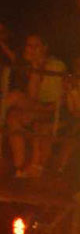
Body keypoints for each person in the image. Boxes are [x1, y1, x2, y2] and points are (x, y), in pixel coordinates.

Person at [4, 34, 68, 178]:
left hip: (51, 110)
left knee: (15, 97)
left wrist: (36, 70)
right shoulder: (31, 67)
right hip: (36, 107)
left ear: (44, 48)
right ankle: (19, 167)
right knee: (13, 117)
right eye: (29, 46)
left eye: (35, 46)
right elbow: (33, 97)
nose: (31, 50)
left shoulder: (55, 66)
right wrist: (35, 70)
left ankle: (34, 166)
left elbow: (52, 102)